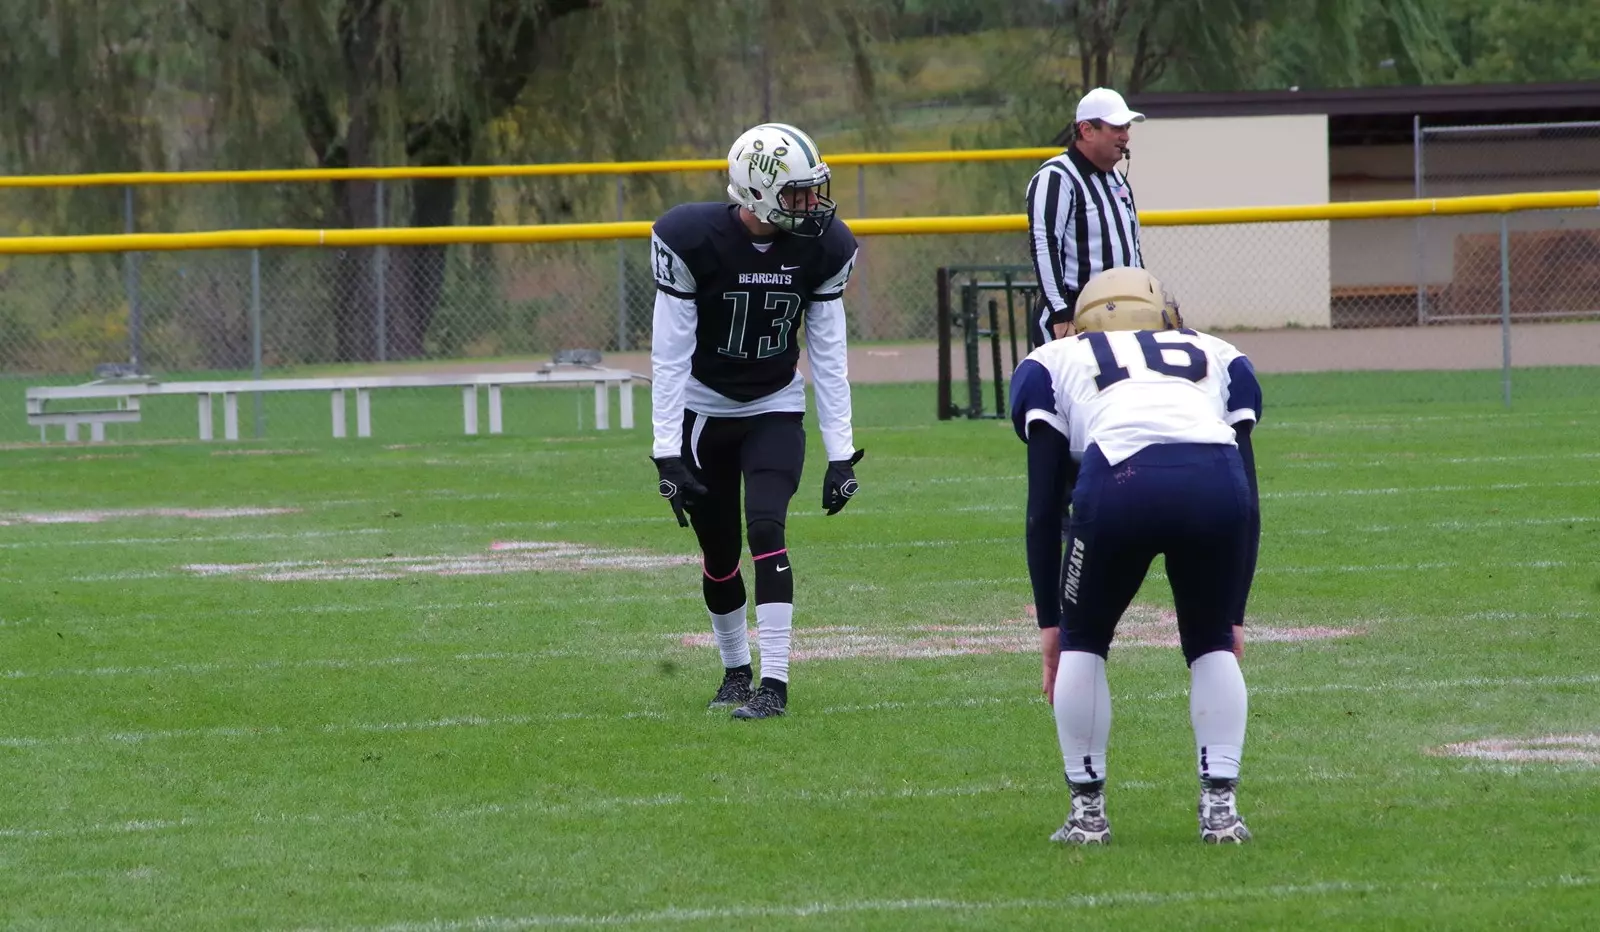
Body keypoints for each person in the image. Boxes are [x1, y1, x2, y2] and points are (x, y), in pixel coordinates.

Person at [1008, 266, 1263, 844]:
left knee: (1085, 642)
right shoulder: (1216, 351)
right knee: (1211, 643)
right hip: (1215, 482)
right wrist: (1235, 610)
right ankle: (1220, 811)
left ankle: (1088, 814)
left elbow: (1044, 508)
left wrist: (1052, 623)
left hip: (1119, 478)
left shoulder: (1052, 359)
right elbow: (1248, 499)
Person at [649, 122, 865, 721]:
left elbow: (829, 352)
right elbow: (668, 356)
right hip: (705, 411)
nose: (812, 204)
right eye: (797, 192)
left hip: (774, 405)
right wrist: (667, 451)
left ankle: (775, 682)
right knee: (719, 554)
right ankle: (735, 669)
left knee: (766, 528)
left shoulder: (823, 248)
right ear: (759, 189)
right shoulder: (691, 238)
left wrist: (841, 452)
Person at [1025, 87, 1146, 348]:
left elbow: (1132, 250)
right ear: (1087, 130)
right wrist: (1060, 312)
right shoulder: (1057, 176)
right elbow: (1044, 243)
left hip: (1121, 318)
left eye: (1126, 127)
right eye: (1116, 127)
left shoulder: (1117, 180)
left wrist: (1145, 298)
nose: (1125, 136)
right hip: (1076, 316)